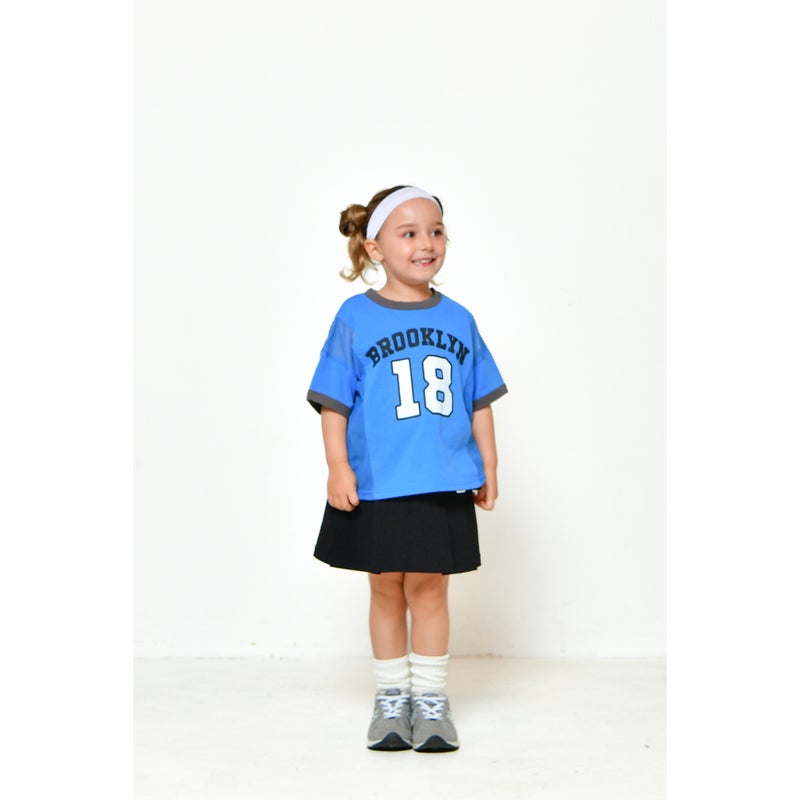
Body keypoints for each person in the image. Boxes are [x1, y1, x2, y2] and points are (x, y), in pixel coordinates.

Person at [307, 185, 507, 753]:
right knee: (386, 588)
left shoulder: (459, 318)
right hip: (379, 483)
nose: (427, 243)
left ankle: (432, 700)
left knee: (430, 590)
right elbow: (334, 402)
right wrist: (338, 467)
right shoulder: (355, 317)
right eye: (410, 232)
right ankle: (392, 698)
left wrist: (489, 465)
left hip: (441, 480)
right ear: (375, 248)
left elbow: (479, 400)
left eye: (436, 231)